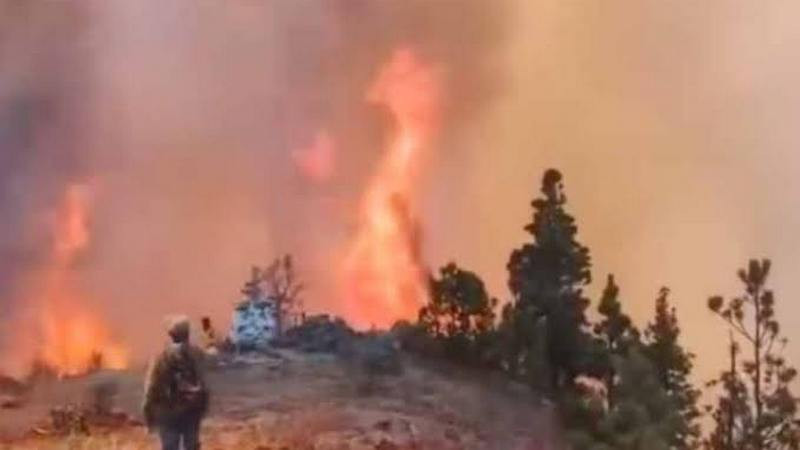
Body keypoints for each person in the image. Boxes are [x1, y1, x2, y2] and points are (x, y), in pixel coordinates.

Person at [143, 315, 209, 450]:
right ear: (187, 333)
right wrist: (202, 408)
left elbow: (151, 386)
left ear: (170, 334)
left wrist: (147, 412)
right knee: (191, 445)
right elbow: (204, 383)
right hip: (191, 410)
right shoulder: (197, 354)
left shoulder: (161, 356)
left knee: (169, 446)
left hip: (168, 411)